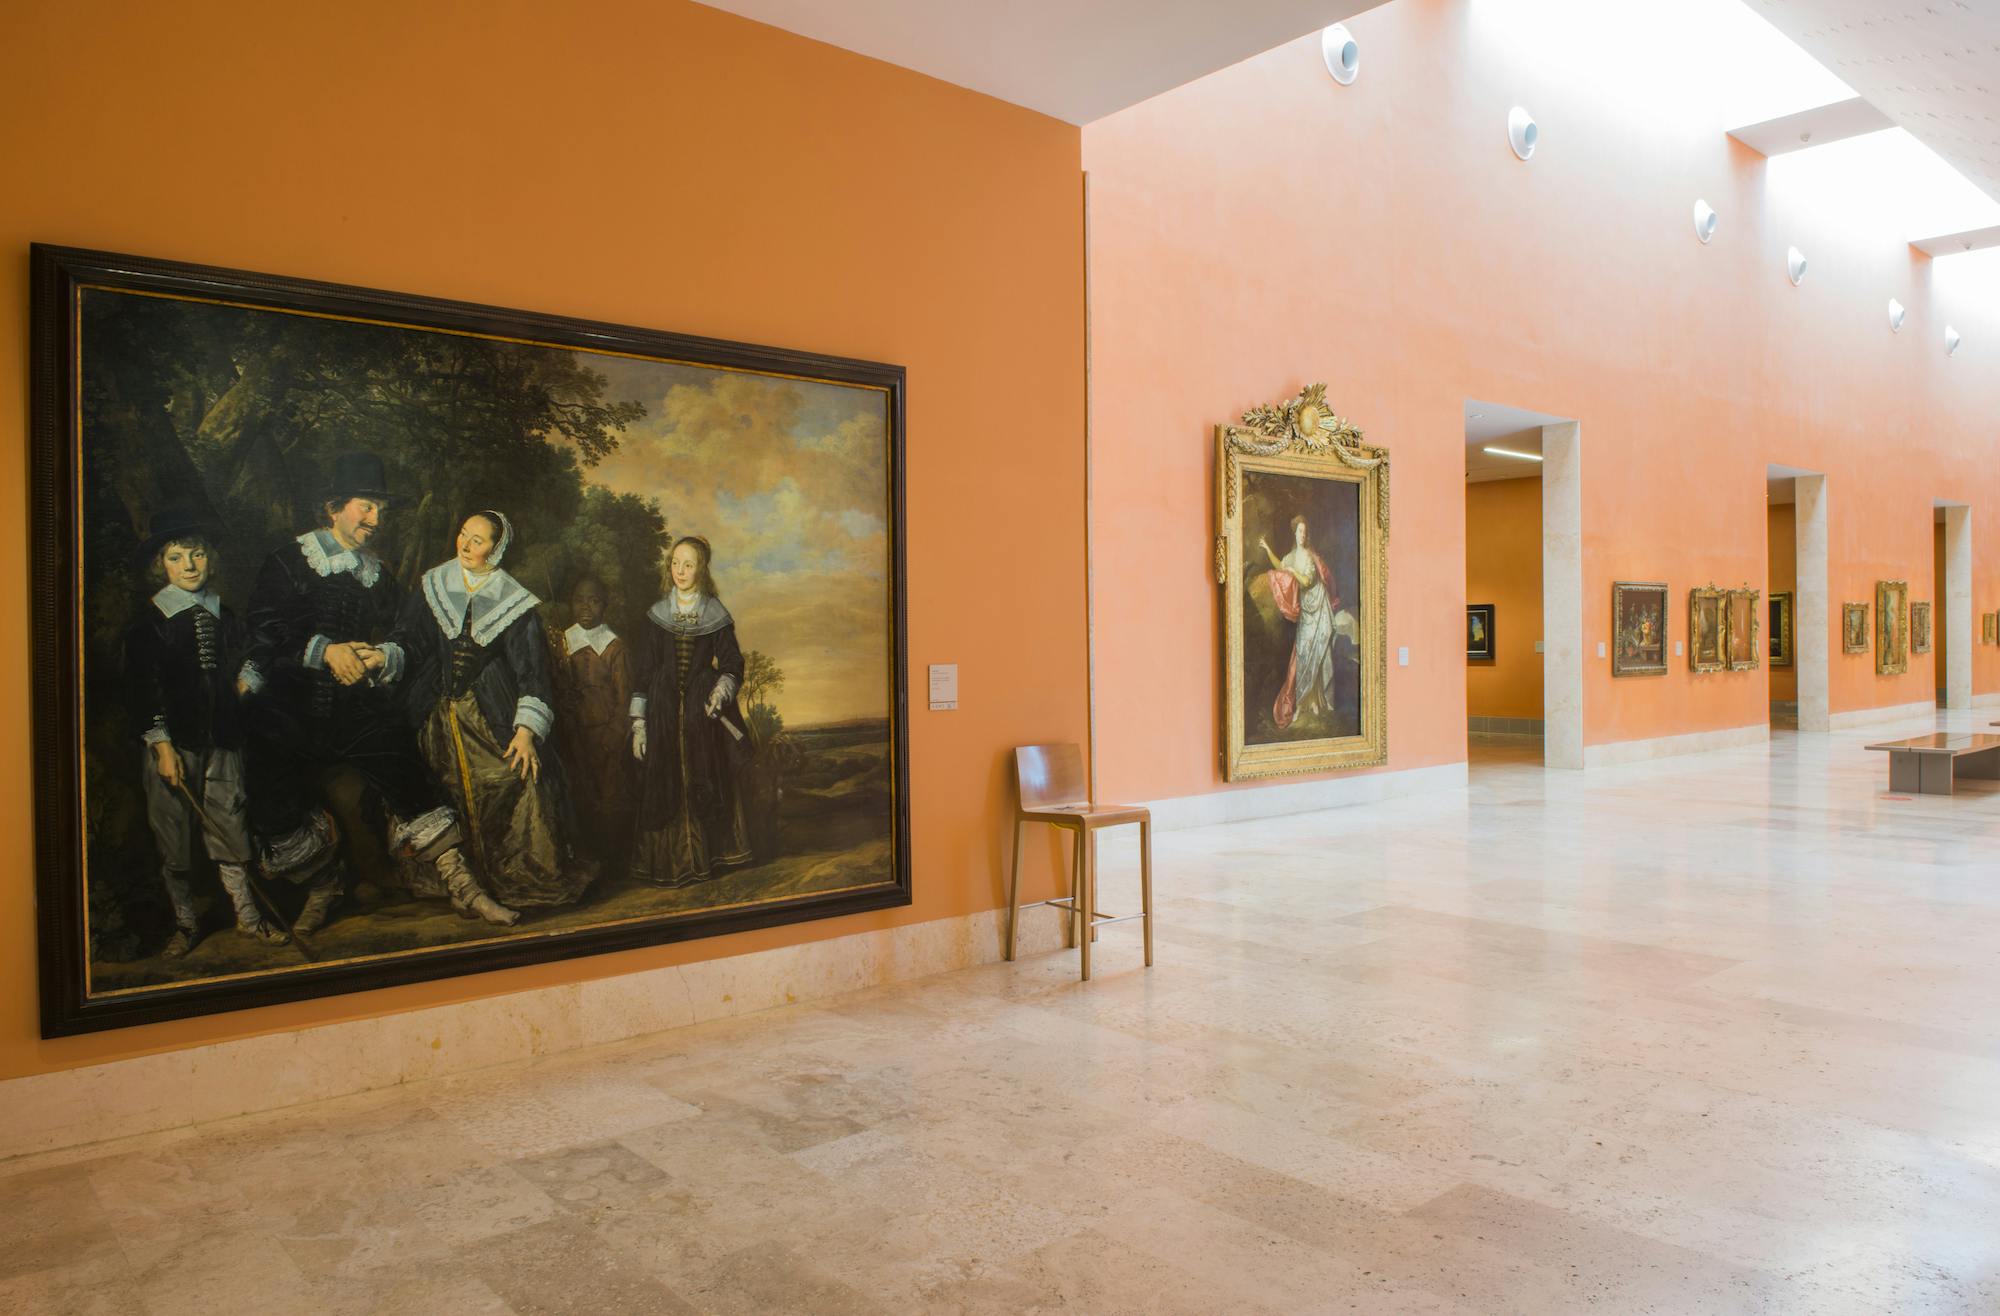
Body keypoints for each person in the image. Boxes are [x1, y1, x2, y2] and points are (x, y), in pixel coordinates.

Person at [243, 451, 515, 927]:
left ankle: (463, 886)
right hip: (290, 703)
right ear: (334, 508)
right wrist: (325, 651)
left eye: (380, 510)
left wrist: (384, 655)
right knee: (268, 783)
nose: (376, 519)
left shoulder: (379, 576)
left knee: (402, 764)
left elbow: (408, 634)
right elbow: (263, 633)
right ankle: (323, 883)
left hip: (354, 705)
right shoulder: (289, 561)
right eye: (366, 507)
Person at [376, 511, 592, 910]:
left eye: (478, 540)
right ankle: (449, 881)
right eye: (463, 534)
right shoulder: (433, 583)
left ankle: (513, 875)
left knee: (518, 778)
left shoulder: (513, 599)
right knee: (432, 783)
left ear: (497, 548)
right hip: (433, 710)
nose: (465, 544)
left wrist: (525, 731)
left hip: (492, 710)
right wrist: (384, 656)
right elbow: (408, 639)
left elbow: (532, 671)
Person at [124, 503, 285, 955]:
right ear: (161, 565)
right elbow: (143, 691)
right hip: (175, 745)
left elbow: (256, 651)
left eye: (196, 554)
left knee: (230, 828)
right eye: (176, 557)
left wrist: (246, 681)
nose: (189, 566)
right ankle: (185, 923)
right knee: (173, 835)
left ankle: (248, 919)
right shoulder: (150, 624)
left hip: (224, 743)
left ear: (210, 559)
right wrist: (162, 747)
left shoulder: (224, 615)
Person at [629, 536, 753, 887]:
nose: (680, 571)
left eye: (688, 564)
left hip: (702, 714)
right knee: (664, 779)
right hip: (663, 712)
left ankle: (709, 858)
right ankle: (672, 866)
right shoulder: (656, 614)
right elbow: (643, 672)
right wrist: (639, 724)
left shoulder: (715, 612)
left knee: (705, 775)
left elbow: (732, 663)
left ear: (702, 569)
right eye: (675, 563)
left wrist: (720, 691)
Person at [557, 573, 635, 872]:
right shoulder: (562, 643)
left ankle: (616, 862)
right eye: (579, 600)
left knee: (611, 797)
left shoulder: (615, 647)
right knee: (579, 796)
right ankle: (587, 861)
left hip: (606, 737)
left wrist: (613, 736)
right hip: (574, 737)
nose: (585, 607)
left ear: (605, 605)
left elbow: (625, 699)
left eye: (594, 601)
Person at [1258, 515, 1339, 729]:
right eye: (1299, 531)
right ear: (1294, 533)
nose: (1302, 535)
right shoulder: (1292, 556)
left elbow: (1307, 581)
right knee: (1304, 653)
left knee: (1318, 651)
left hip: (1318, 606)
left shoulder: (1310, 557)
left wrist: (1293, 572)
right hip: (1306, 609)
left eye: (1304, 531)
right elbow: (1280, 565)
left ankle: (1316, 701)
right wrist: (1267, 549)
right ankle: (1303, 702)